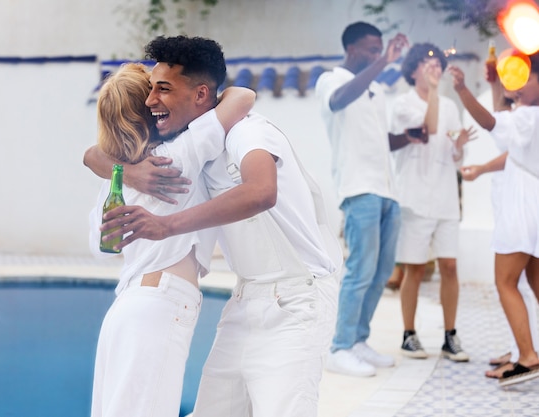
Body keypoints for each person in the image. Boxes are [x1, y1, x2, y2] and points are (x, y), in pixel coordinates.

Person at [97, 35, 343, 417]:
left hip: (299, 297)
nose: (150, 101)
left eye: (163, 89)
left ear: (199, 95)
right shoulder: (188, 145)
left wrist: (167, 226)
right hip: (246, 298)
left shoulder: (248, 132)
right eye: (150, 90)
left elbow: (261, 191)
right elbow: (95, 152)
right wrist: (128, 172)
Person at [88, 54, 255, 417]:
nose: (158, 100)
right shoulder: (177, 156)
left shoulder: (114, 183)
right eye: (153, 95)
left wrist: (121, 168)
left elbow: (102, 249)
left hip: (125, 307)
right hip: (159, 305)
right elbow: (242, 96)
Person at [314, 21, 409, 377]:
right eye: (371, 49)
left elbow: (381, 140)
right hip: (359, 189)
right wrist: (383, 61)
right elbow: (339, 102)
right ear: (352, 49)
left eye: (379, 49)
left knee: (382, 271)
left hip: (389, 191)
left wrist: (409, 137)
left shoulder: (378, 92)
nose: (377, 54)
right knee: (360, 270)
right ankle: (339, 347)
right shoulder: (331, 81)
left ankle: (358, 341)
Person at [448, 53, 539, 386]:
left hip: (522, 207)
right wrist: (495, 84)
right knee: (534, 284)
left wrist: (461, 89)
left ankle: (528, 357)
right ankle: (526, 351)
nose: (519, 83)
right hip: (533, 206)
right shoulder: (528, 117)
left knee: (506, 282)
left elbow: (491, 122)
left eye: (527, 78)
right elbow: (511, 143)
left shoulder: (529, 116)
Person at [389, 43, 473, 362]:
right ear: (413, 71)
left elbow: (453, 153)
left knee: (450, 266)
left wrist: (460, 146)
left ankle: (450, 336)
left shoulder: (450, 105)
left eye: (438, 64)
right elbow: (429, 127)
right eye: (428, 65)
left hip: (445, 196)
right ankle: (408, 334)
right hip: (415, 198)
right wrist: (435, 93)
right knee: (414, 267)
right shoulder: (403, 103)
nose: (435, 68)